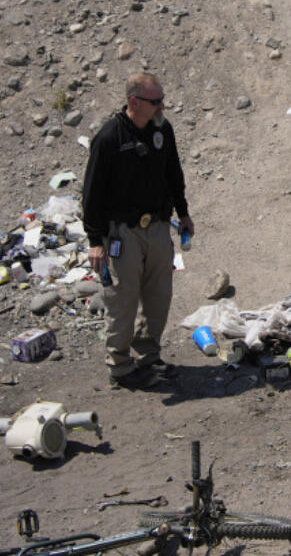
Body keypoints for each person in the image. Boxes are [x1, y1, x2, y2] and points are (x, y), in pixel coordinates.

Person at [82, 72, 194, 389]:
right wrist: (95, 240)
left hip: (158, 225)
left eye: (162, 98)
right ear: (135, 102)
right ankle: (119, 365)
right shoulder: (109, 138)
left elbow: (174, 172)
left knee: (159, 296)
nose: (162, 105)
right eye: (156, 101)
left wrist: (183, 213)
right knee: (123, 300)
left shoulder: (162, 129)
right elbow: (91, 193)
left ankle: (148, 355)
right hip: (122, 232)